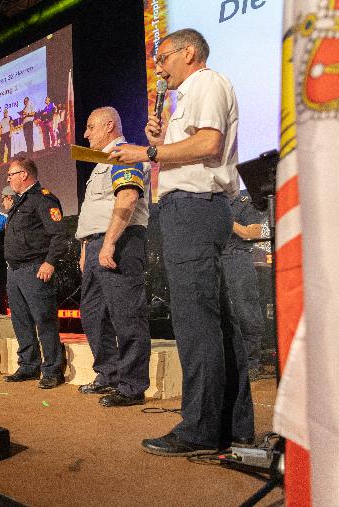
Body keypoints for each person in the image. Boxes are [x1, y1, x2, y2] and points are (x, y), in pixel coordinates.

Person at [110, 28, 255, 455]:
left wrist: (147, 152)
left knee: (196, 323)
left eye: (163, 57)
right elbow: (193, 149)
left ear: (189, 52)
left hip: (194, 209)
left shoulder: (206, 82)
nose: (158, 68)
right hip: (198, 209)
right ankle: (232, 425)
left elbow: (209, 144)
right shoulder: (188, 95)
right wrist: (161, 142)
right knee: (215, 322)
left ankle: (199, 430)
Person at [75, 107, 152, 407]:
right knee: (93, 314)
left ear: (109, 126)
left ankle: (132, 386)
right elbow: (94, 211)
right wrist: (87, 249)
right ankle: (108, 374)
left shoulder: (123, 154)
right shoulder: (102, 162)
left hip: (120, 241)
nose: (86, 134)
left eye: (90, 127)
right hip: (97, 244)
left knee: (127, 315)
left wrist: (108, 244)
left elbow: (128, 197)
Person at [3, 156, 69, 388]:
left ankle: (52, 370)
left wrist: (50, 262)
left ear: (24, 174)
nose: (8, 179)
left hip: (35, 268)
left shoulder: (43, 199)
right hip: (14, 271)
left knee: (44, 320)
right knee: (20, 320)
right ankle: (28, 365)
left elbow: (59, 235)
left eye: (11, 174)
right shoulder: (19, 201)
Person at [222, 194, 266, 379]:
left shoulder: (245, 201)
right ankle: (226, 363)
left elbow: (254, 233)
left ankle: (251, 362)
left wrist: (225, 220)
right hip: (213, 258)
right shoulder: (211, 201)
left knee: (245, 309)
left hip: (238, 258)